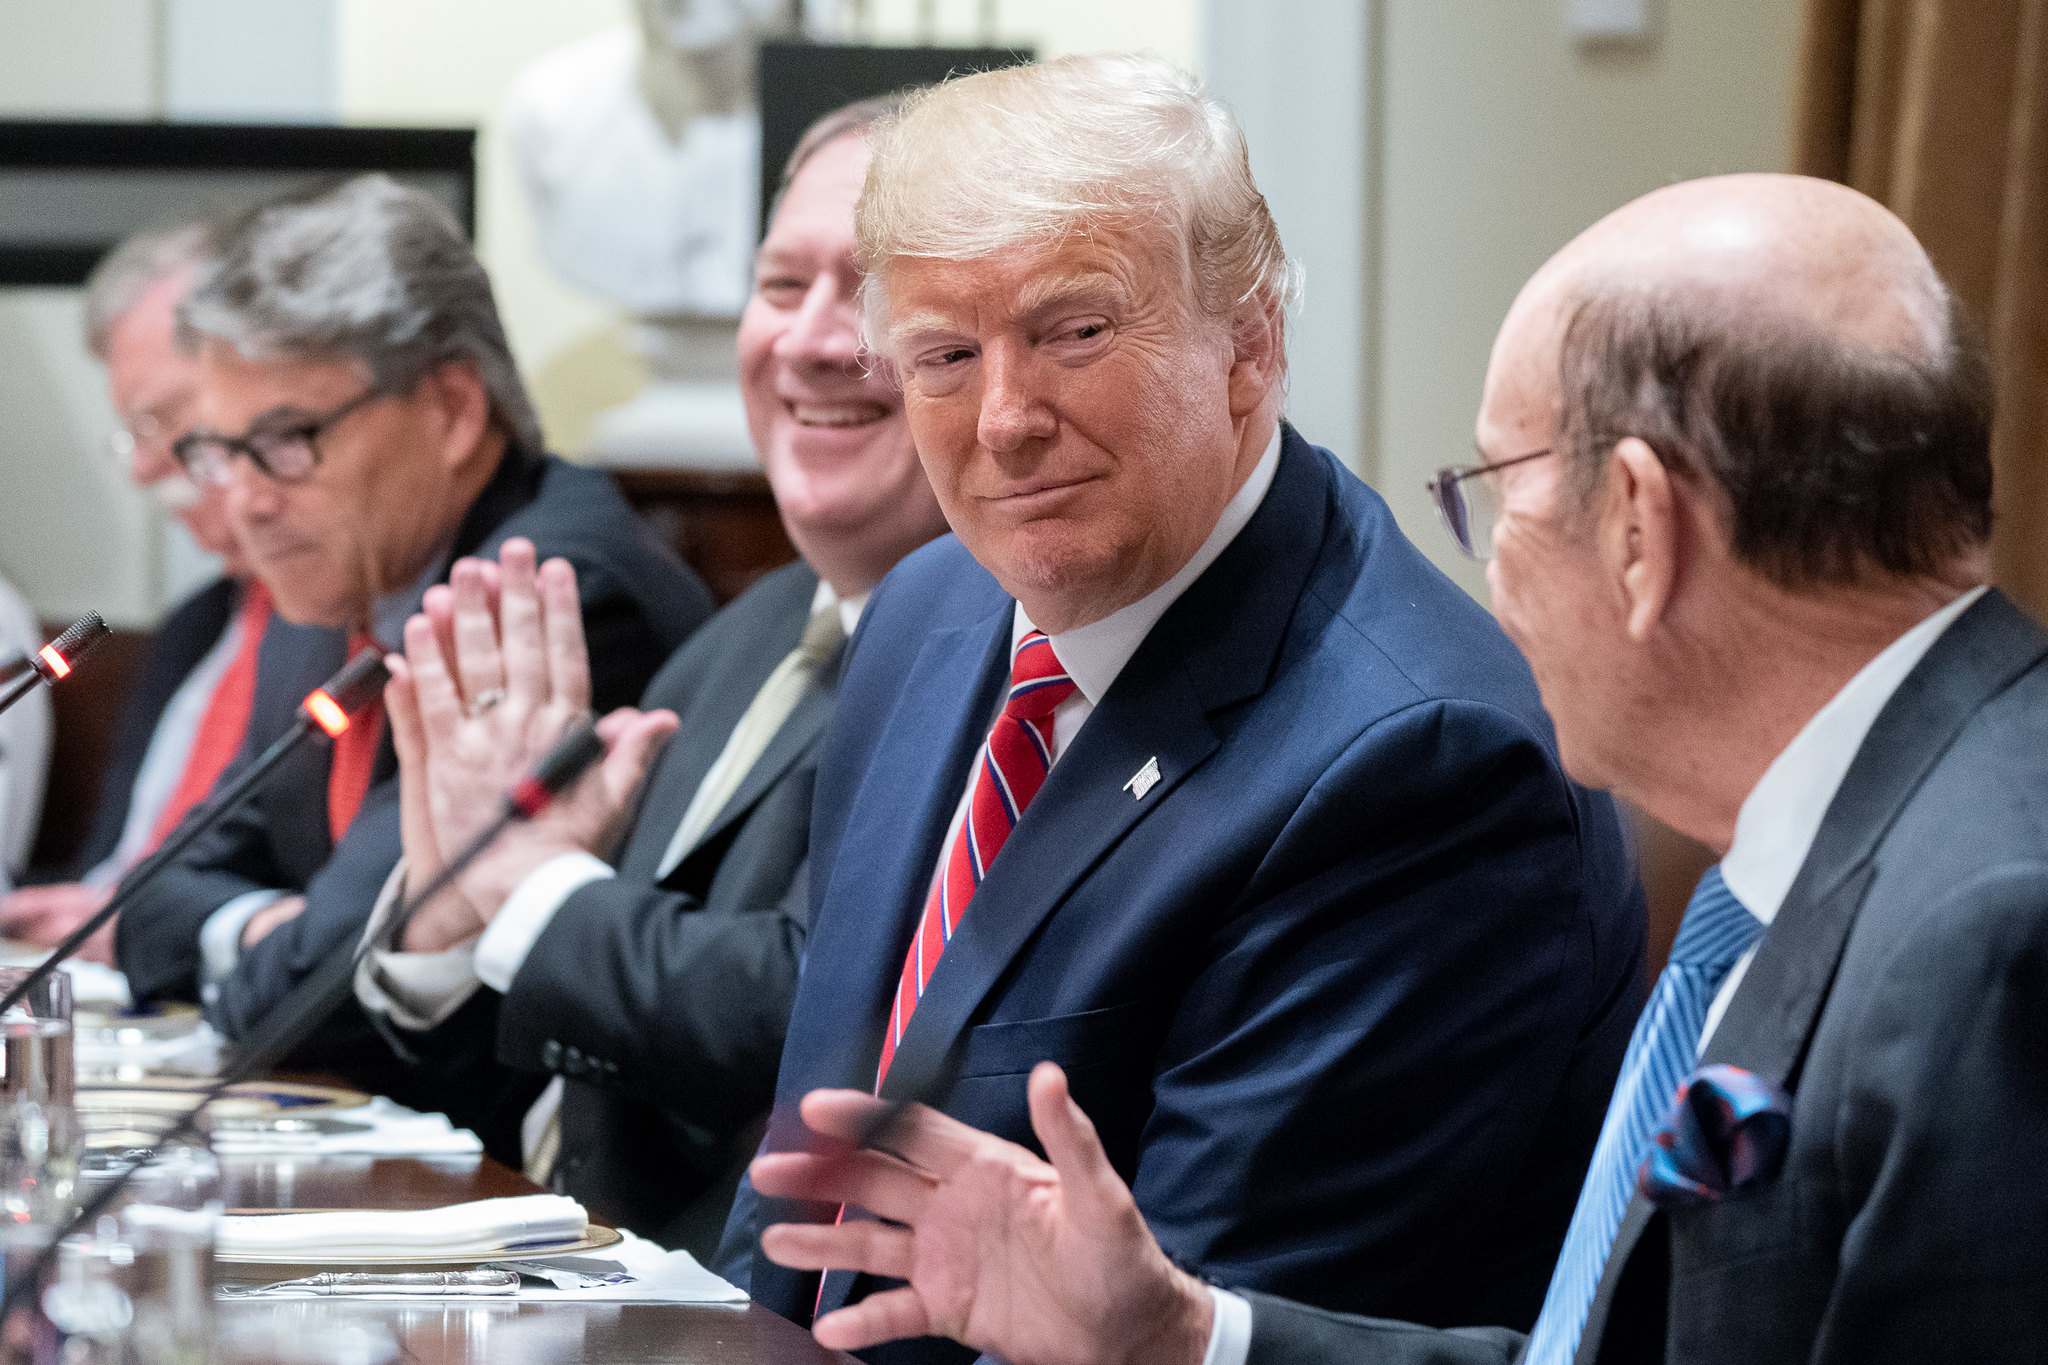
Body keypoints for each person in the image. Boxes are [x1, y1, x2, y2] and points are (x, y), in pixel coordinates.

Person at [750, 171, 2048, 1364]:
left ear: (1641, 527)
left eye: (1494, 491)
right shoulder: (1880, 839)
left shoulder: (1989, 933)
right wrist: (1182, 1334)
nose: (1483, 572)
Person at [724, 54, 1646, 1355]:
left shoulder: (1420, 767)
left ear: (1250, 346)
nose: (1004, 420)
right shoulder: (927, 612)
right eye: (943, 353)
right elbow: (805, 1178)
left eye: (1074, 331)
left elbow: (1178, 1324)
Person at [351, 97, 949, 1256]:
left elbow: (815, 1014)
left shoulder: (1013, 658)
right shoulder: (755, 623)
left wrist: (526, 884)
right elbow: (570, 1027)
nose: (812, 340)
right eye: (779, 287)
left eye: (874, 293)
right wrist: (448, 906)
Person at [110, 175, 715, 1154]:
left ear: (451, 407)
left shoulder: (552, 592)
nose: (248, 501)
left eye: (287, 440)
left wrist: (257, 940)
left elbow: (326, 997)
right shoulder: (339, 581)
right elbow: (153, 902)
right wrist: (282, 932)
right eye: (221, 449)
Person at [0, 220, 273, 959]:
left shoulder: (340, 627)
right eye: (134, 431)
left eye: (165, 420)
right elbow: (108, 877)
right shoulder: (201, 623)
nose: (145, 469)